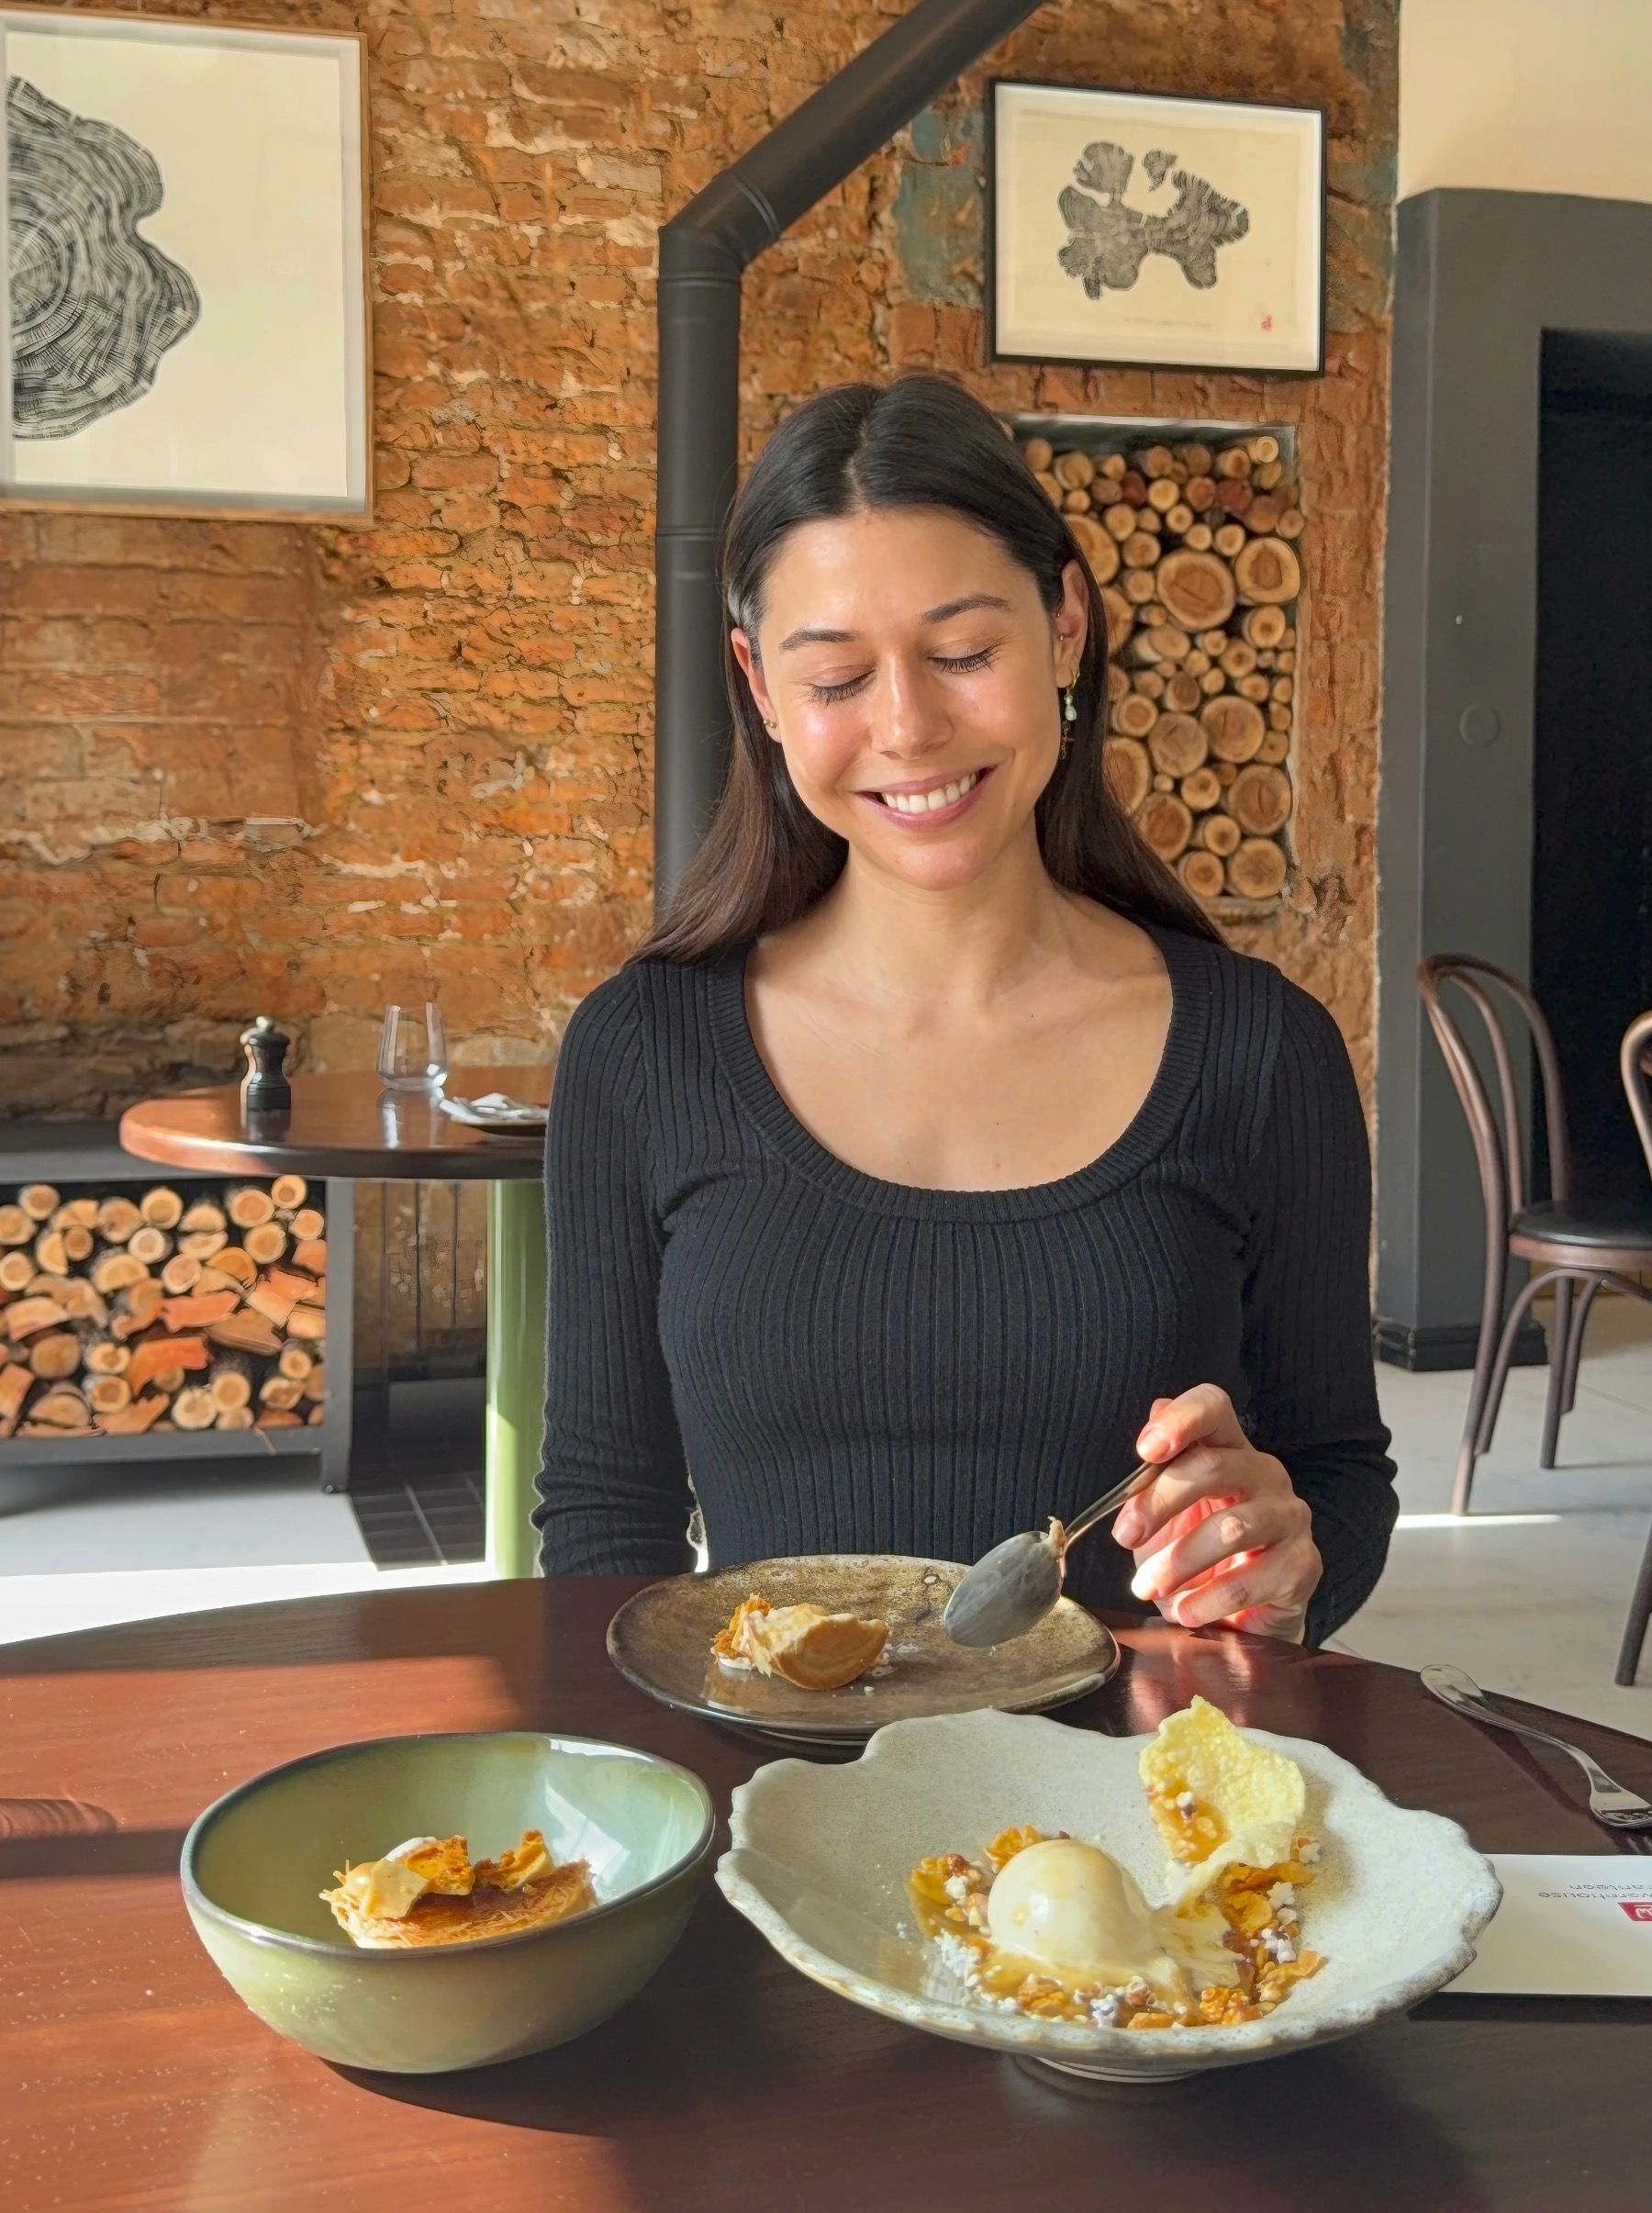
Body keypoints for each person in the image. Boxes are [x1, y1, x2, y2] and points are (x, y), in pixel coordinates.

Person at [533, 374, 1395, 1646]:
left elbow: (1337, 1479)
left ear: (1066, 626)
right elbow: (607, 1516)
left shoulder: (1260, 1052)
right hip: (768, 1809)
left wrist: (1282, 1551)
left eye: (963, 653)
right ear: (761, 690)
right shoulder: (642, 1052)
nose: (910, 727)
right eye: (834, 678)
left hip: (1128, 1815)